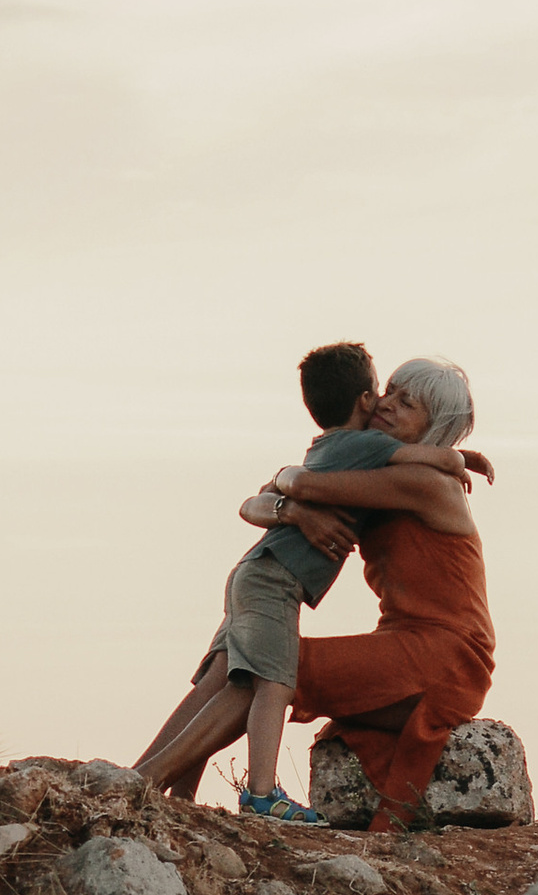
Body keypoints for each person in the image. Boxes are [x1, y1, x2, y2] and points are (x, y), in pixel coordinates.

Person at [128, 341, 401, 819]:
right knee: (269, 683)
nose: (383, 402)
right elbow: (420, 459)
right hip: (275, 580)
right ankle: (259, 792)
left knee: (212, 686)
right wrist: (459, 458)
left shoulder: (322, 450)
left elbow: (256, 498)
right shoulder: (368, 447)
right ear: (364, 399)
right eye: (379, 392)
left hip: (251, 573)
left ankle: (162, 790)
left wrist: (286, 507)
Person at [263, 356, 498, 830]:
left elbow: (298, 482)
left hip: (448, 653)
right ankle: (158, 782)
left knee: (271, 661)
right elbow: (260, 500)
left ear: (433, 429)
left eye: (406, 403)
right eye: (389, 391)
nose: (386, 404)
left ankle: (157, 779)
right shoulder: (385, 465)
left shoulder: (423, 482)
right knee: (249, 655)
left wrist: (292, 499)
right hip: (408, 642)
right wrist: (293, 510)